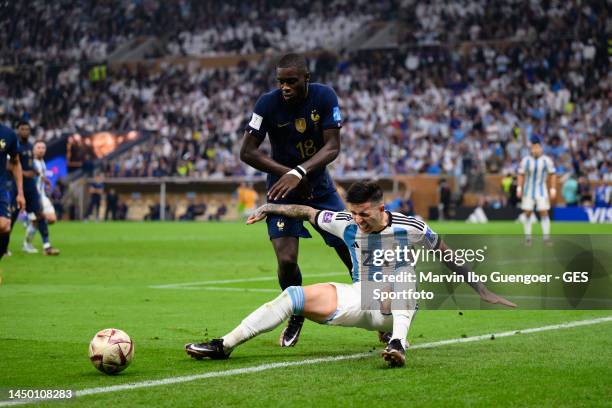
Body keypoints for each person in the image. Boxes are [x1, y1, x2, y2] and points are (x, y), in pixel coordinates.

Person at [185, 181, 516, 367]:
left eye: (364, 213)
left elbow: (447, 254)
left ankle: (398, 343)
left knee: (401, 277)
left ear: (381, 208)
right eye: (354, 213)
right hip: (360, 298)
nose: (358, 219)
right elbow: (306, 212)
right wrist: (269, 208)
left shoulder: (411, 227)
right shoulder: (346, 223)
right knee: (293, 296)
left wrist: (482, 290)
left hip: (397, 307)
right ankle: (224, 345)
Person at [239, 53, 353, 347]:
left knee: (349, 248)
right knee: (287, 260)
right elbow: (248, 152)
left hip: (320, 189)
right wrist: (288, 174)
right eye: (280, 81)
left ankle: (379, 310)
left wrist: (301, 172)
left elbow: (333, 146)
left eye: (291, 81)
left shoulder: (325, 97)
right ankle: (296, 311)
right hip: (281, 190)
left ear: (306, 78)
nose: (285, 87)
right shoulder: (267, 103)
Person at [14, 122, 59, 255]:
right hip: (33, 195)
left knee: (47, 219)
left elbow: (37, 174)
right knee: (44, 218)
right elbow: (25, 174)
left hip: (41, 195)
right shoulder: (30, 161)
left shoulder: (41, 162)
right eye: (38, 147)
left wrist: (44, 180)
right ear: (33, 149)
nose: (41, 150)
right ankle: (42, 244)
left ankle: (29, 236)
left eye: (43, 148)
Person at [517, 137, 556, 245]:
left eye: (537, 147)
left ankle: (546, 238)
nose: (535, 150)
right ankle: (528, 239)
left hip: (541, 189)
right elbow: (521, 174)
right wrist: (519, 188)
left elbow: (552, 174)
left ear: (541, 148)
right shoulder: (526, 160)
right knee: (527, 213)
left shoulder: (546, 160)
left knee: (544, 212)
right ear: (531, 148)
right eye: (533, 148)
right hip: (528, 190)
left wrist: (552, 189)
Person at [0, 124, 25, 260]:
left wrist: (20, 193)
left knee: (4, 225)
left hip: (0, 186)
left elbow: (15, 162)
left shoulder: (7, 134)